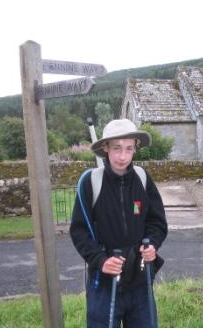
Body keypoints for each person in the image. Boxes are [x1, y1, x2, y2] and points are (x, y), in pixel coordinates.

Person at [70, 118, 168, 328]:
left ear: (135, 148)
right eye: (116, 148)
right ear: (105, 148)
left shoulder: (142, 178)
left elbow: (157, 221)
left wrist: (152, 244)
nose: (123, 156)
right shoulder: (91, 183)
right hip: (104, 283)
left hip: (140, 281)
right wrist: (100, 260)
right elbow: (79, 231)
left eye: (129, 148)